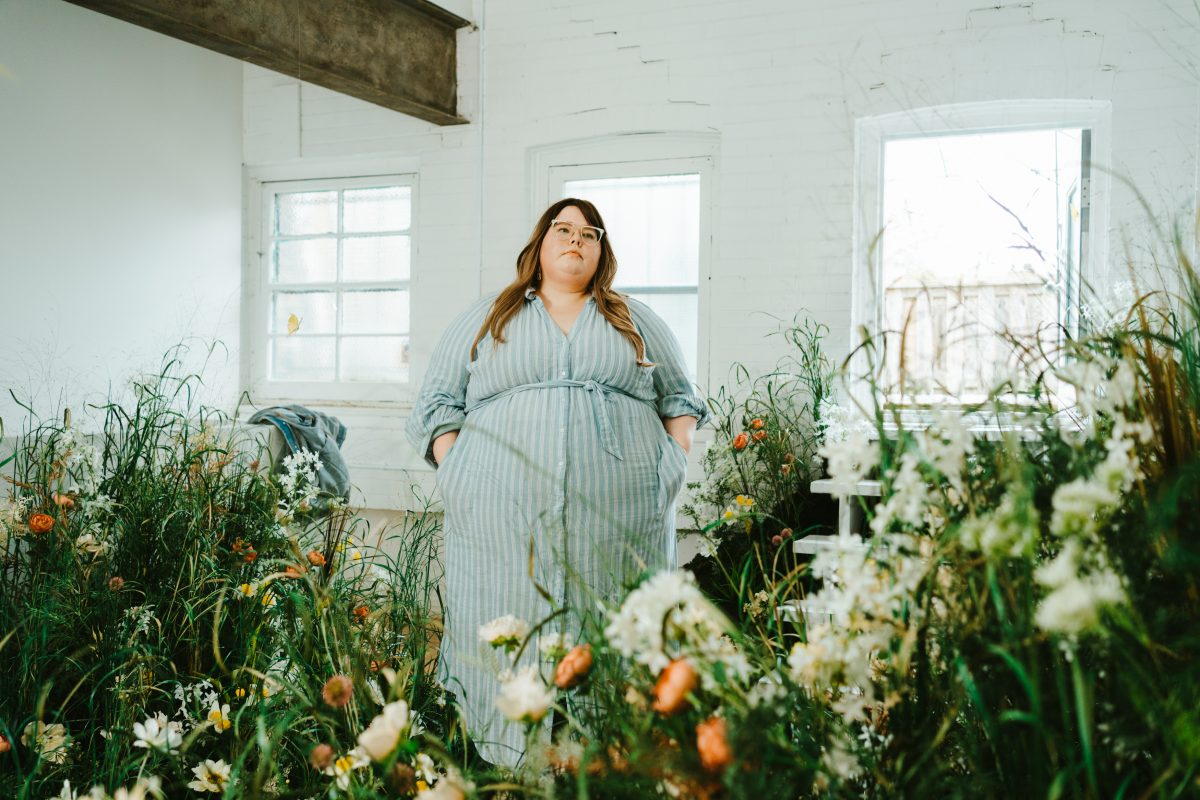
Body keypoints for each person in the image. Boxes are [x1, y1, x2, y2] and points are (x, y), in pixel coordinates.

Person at [406, 198, 709, 766]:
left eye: (589, 234)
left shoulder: (635, 319)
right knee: (509, 620)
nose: (576, 240)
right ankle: (510, 760)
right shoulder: (487, 316)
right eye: (563, 230)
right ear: (540, 244)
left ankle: (612, 757)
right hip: (499, 517)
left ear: (602, 252)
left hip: (620, 517)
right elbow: (437, 402)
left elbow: (680, 398)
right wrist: (460, 470)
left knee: (611, 623)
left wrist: (672, 460)